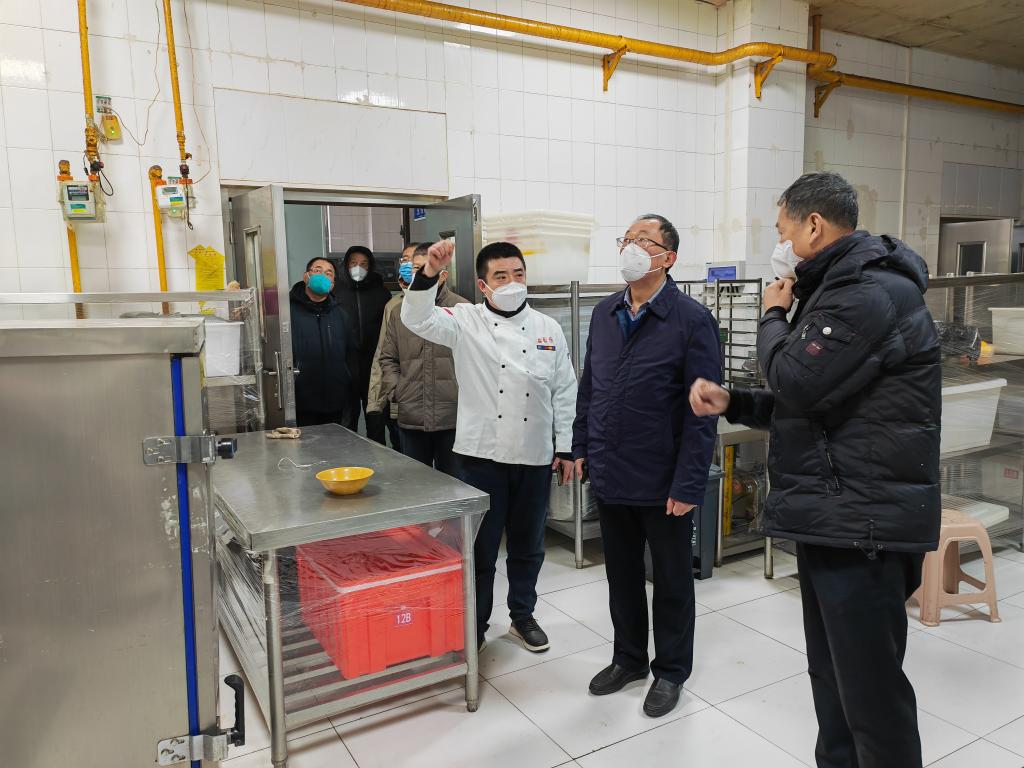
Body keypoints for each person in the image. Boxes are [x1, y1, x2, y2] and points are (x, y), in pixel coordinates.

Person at [689, 171, 941, 768]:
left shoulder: (867, 293)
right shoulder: (837, 289)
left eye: (782, 231)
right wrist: (736, 402)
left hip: (863, 520)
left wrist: (773, 314)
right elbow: (815, 399)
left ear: (813, 225)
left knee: (870, 694)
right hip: (837, 512)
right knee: (832, 678)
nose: (781, 246)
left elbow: (795, 379)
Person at [571, 215, 722, 718]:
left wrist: (689, 483)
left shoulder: (691, 320)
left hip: (664, 479)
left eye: (643, 240)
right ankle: (629, 659)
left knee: (673, 580)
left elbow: (704, 411)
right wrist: (580, 446)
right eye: (627, 239)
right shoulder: (604, 313)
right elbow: (591, 387)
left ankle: (671, 670)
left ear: (668, 258)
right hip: (611, 470)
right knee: (621, 575)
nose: (631, 248)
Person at [402, 240, 578, 653]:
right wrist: (429, 273)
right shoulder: (464, 320)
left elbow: (565, 390)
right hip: (480, 458)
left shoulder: (548, 328)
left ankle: (522, 615)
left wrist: (567, 447)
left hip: (535, 455)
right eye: (501, 276)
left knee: (528, 546)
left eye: (518, 274)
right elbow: (416, 317)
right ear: (483, 285)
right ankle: (476, 624)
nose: (512, 282)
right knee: (480, 549)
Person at [377, 244, 469, 475]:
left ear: (442, 275)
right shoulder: (399, 312)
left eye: (425, 269)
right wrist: (397, 391)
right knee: (416, 483)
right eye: (416, 269)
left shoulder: (462, 309)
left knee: (455, 485)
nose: (420, 276)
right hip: (412, 414)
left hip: (453, 416)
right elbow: (388, 358)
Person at [335, 245, 392, 444]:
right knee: (346, 422)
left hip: (373, 366)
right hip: (346, 366)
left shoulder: (381, 292)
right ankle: (346, 460)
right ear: (346, 265)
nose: (358, 267)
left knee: (376, 422)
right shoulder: (336, 291)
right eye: (353, 263)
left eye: (363, 264)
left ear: (370, 266)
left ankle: (377, 458)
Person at [289, 257, 355, 428]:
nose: (323, 276)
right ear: (306, 276)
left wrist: (345, 379)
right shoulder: (287, 311)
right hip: (300, 400)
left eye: (328, 273)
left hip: (334, 399)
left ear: (332, 284)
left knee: (333, 444)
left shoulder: (341, 314)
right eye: (317, 270)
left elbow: (351, 354)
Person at [367, 243, 417, 449]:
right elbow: (382, 355)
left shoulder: (454, 305)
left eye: (413, 259)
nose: (407, 264)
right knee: (404, 456)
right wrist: (377, 400)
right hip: (403, 400)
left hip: (443, 406)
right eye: (404, 259)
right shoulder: (394, 306)